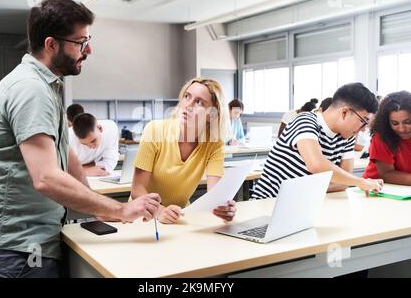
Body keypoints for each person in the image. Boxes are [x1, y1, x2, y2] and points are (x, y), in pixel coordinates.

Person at [0, 0, 160, 278]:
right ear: (51, 44)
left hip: (29, 242)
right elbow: (46, 177)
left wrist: (100, 209)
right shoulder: (30, 89)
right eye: (80, 42)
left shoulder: (46, 85)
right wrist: (120, 209)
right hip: (16, 249)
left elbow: (65, 153)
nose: (89, 49)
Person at [252, 83, 384, 199]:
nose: (363, 129)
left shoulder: (347, 137)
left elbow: (344, 181)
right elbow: (317, 165)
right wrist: (360, 181)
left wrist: (303, 189)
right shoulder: (305, 120)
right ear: (344, 112)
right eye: (363, 121)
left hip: (307, 204)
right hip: (269, 203)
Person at [131, 78, 236, 224]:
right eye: (187, 96)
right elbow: (137, 189)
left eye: (199, 102)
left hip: (179, 219)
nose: (188, 105)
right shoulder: (154, 130)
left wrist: (223, 208)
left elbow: (215, 195)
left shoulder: (214, 144)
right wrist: (160, 211)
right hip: (143, 217)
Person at [362, 91, 411, 184]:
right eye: (395, 123)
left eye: (407, 122)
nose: (401, 129)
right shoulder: (381, 136)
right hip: (376, 189)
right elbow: (387, 174)